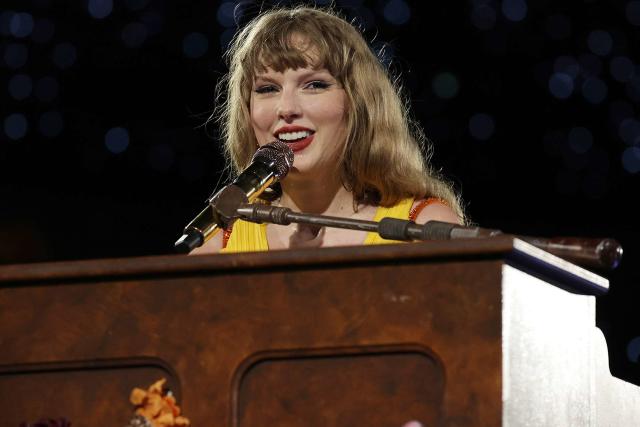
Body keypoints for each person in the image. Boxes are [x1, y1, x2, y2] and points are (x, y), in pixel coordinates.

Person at [191, 6, 464, 255]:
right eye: (267, 89)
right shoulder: (217, 241)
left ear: (358, 102)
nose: (286, 108)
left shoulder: (424, 229)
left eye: (314, 85)